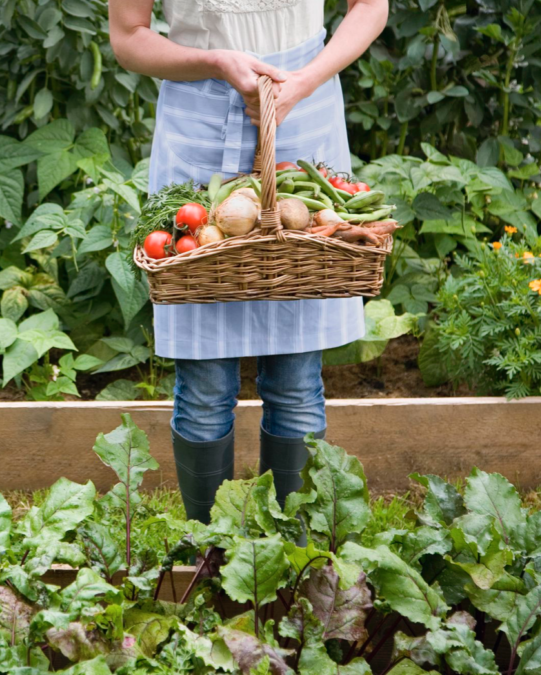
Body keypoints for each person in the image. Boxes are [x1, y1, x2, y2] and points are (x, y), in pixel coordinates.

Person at [108, 0, 388, 521]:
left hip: (303, 116)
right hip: (200, 120)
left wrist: (304, 81)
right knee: (205, 383)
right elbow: (128, 36)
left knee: (298, 378)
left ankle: (292, 554)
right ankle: (210, 552)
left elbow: (371, 7)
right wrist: (214, 61)